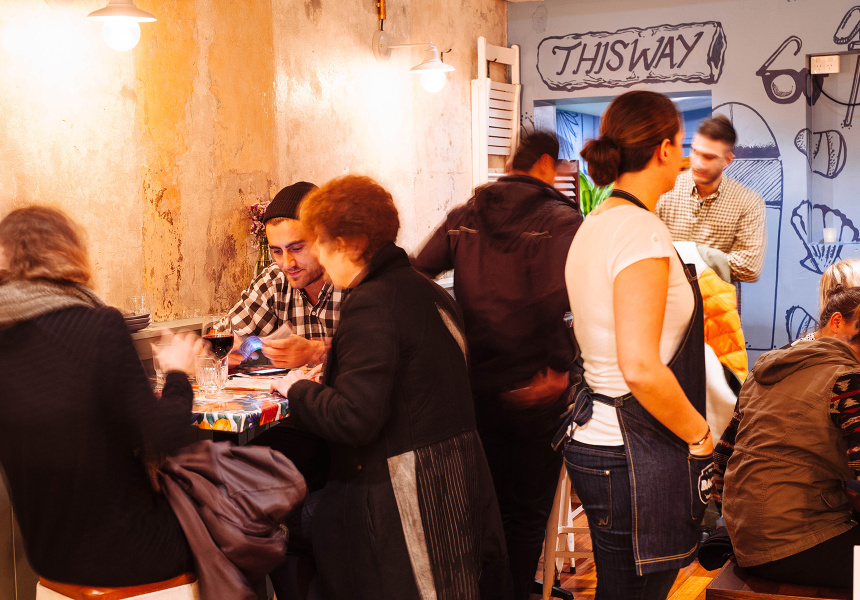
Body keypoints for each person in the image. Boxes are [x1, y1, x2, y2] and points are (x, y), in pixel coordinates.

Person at [272, 175, 511, 600]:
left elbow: (354, 419)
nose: (319, 258)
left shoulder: (372, 302)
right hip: (455, 484)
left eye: (321, 244)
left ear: (352, 243)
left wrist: (297, 390)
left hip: (405, 499)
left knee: (275, 521)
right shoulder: (426, 289)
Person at [411, 131, 582, 600]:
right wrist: (558, 367)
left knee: (483, 507)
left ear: (512, 163)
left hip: (474, 388)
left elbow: (416, 271)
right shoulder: (562, 220)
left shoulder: (467, 215)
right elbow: (562, 294)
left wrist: (448, 342)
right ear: (546, 163)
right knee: (526, 513)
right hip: (537, 387)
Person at [563, 90, 713, 599]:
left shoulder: (597, 222)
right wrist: (700, 436)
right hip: (631, 450)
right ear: (664, 149)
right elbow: (641, 367)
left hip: (602, 440)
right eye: (681, 143)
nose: (685, 156)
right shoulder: (639, 230)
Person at [0, 206, 198, 588]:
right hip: (129, 551)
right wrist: (178, 373)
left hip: (47, 557)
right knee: (238, 525)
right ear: (69, 254)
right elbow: (165, 434)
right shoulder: (98, 324)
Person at [718, 286, 860, 589]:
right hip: (797, 541)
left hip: (744, 535)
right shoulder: (847, 378)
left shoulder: (767, 367)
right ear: (837, 322)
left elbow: (722, 455)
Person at [226, 181, 347, 368]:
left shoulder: (353, 278)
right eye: (277, 251)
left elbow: (379, 350)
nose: (288, 263)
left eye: (297, 248)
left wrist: (316, 351)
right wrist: (226, 351)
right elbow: (224, 335)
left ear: (324, 239)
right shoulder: (274, 281)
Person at [656, 115, 766, 283]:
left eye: (708, 157)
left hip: (716, 299)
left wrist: (689, 253)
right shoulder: (665, 189)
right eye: (695, 152)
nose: (698, 163)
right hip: (667, 295)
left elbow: (750, 268)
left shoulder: (748, 202)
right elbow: (647, 248)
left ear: (727, 160)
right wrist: (718, 260)